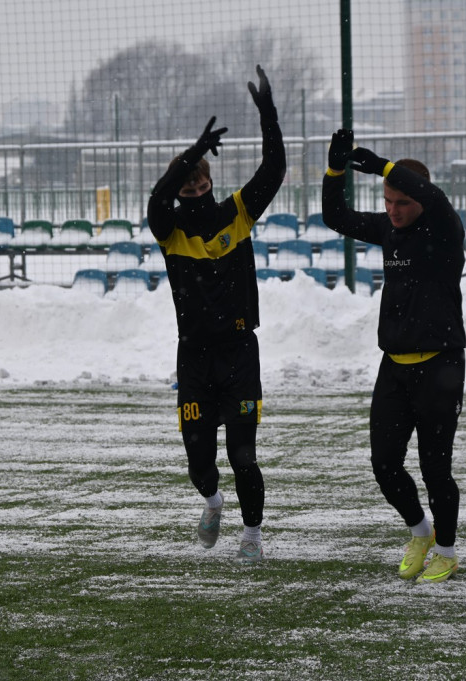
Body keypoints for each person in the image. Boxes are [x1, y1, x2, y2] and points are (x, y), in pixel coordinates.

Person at [146, 65, 285, 563]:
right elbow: (156, 201)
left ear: (210, 180)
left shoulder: (238, 213)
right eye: (186, 185)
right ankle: (212, 501)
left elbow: (274, 170)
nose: (195, 190)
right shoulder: (170, 231)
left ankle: (252, 536)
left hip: (240, 354)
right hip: (195, 360)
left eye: (200, 182)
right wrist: (189, 153)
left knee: (243, 455)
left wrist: (268, 114)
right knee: (199, 457)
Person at [321, 130, 466, 583]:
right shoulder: (388, 228)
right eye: (387, 202)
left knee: (435, 466)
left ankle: (446, 549)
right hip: (394, 369)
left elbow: (432, 193)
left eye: (401, 202)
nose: (393, 210)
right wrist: (335, 169)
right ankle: (420, 532)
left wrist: (383, 163)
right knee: (383, 464)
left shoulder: (443, 227)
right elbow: (335, 215)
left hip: (440, 365)